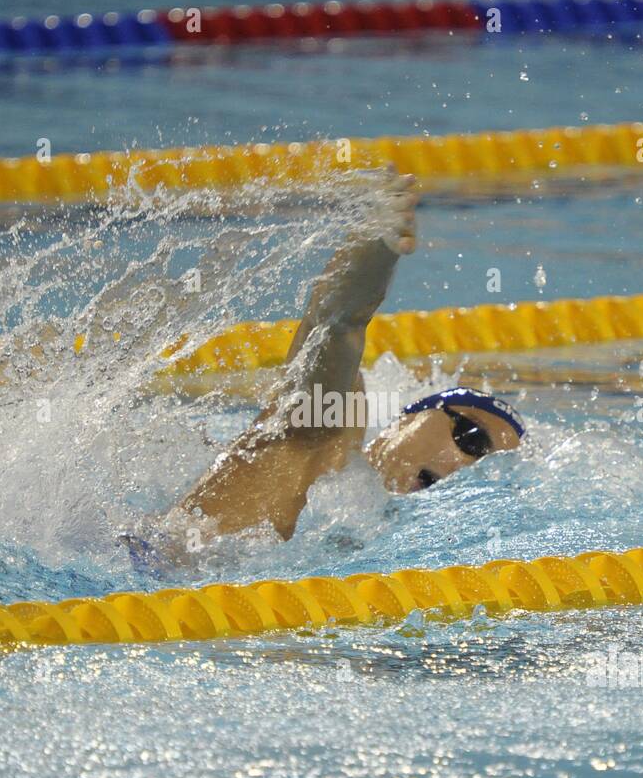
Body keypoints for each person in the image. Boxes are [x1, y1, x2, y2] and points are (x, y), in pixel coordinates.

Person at [173, 170, 525, 542]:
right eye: (472, 439)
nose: (466, 466)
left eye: (486, 470)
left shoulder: (371, 537)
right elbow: (335, 325)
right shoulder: (331, 434)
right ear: (407, 420)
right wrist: (376, 249)